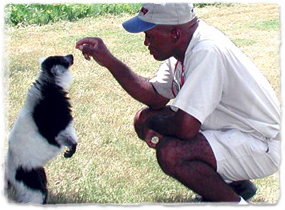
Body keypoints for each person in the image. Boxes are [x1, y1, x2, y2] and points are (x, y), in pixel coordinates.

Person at [75, 1, 281, 205]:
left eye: (150, 35)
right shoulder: (186, 46)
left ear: (175, 34)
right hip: (237, 132)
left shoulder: (206, 51)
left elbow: (185, 128)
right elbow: (155, 96)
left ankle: (235, 202)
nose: (146, 42)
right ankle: (236, 185)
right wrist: (108, 60)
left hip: (262, 143)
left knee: (172, 152)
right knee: (145, 119)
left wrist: (152, 123)